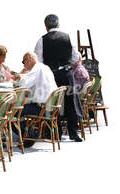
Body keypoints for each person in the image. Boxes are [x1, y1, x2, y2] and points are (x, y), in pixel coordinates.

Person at [34, 14, 84, 142]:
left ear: (46, 27)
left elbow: (38, 61)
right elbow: (75, 57)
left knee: (52, 103)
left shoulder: (41, 40)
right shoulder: (68, 37)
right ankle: (73, 133)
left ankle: (56, 133)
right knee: (71, 102)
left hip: (50, 75)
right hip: (67, 74)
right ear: (59, 24)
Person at [13, 52, 58, 146]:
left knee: (12, 112)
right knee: (20, 108)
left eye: (23, 61)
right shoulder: (45, 68)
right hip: (50, 107)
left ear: (29, 58)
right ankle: (28, 133)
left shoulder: (37, 69)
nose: (23, 64)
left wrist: (20, 76)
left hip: (42, 108)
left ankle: (28, 137)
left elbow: (24, 84)